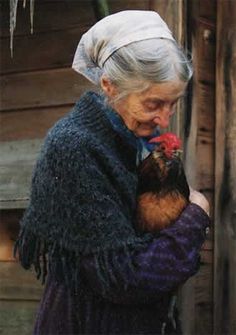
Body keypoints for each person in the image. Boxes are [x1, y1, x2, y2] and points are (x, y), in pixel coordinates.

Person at [15, 10, 210, 335]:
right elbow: (124, 278)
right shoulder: (75, 147)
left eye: (172, 103)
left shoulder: (133, 144)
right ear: (109, 85)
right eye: (153, 104)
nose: (164, 118)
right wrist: (196, 215)